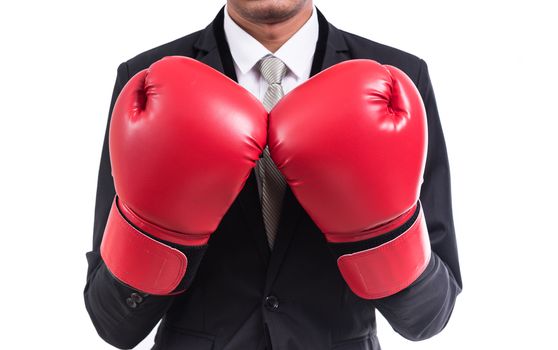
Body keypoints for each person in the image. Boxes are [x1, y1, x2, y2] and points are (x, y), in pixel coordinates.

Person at [84, 1, 462, 349]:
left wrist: (380, 232)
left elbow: (429, 316)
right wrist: (159, 231)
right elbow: (113, 322)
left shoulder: (399, 80)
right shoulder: (145, 82)